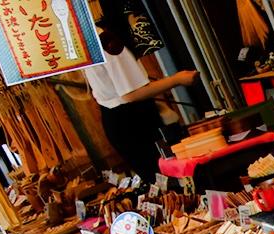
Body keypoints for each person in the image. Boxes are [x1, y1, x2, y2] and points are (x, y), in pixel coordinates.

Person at [83, 15, 197, 181]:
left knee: (162, 179)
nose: (138, 22)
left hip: (117, 120)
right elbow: (131, 94)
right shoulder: (108, 42)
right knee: (173, 177)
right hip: (132, 123)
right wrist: (178, 79)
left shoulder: (88, 37)